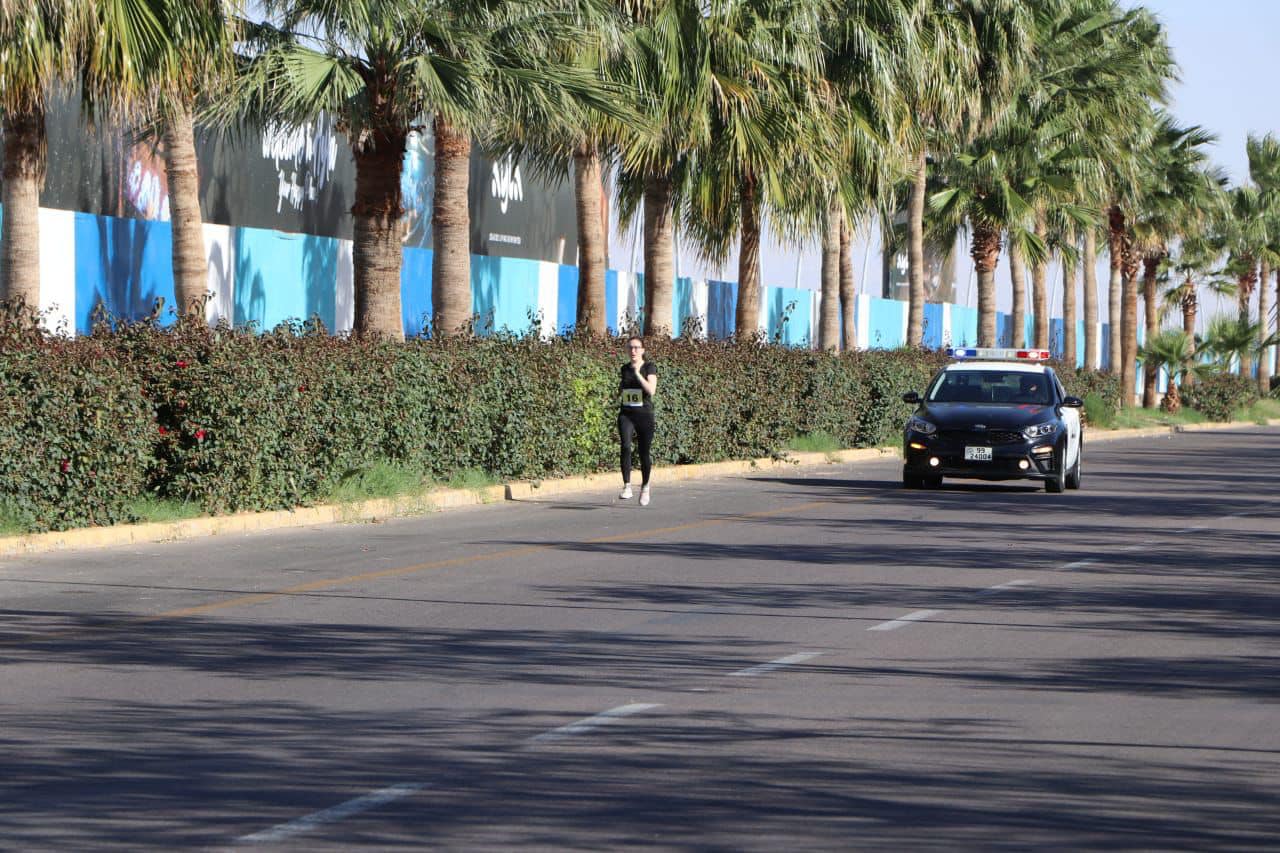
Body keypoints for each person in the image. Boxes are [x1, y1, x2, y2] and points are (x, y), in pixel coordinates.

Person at [618, 336, 658, 506]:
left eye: (636, 347)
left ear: (642, 350)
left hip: (644, 415)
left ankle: (645, 486)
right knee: (626, 446)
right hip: (626, 413)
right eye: (630, 347)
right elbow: (624, 389)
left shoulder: (649, 367)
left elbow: (651, 390)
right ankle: (627, 486)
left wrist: (637, 374)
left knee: (643, 452)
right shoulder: (624, 368)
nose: (633, 351)